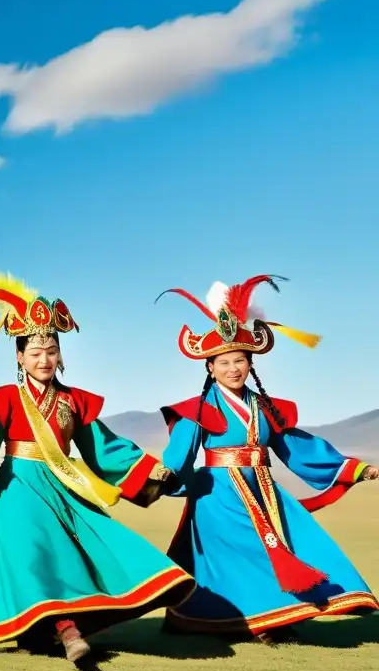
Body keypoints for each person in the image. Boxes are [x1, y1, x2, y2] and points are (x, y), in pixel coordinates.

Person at [0, 272, 195, 664]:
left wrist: (147, 468)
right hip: (16, 487)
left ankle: (53, 629)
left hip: (64, 486)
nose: (44, 359)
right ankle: (67, 632)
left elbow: (103, 447)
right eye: (35, 352)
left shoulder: (75, 402)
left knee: (86, 551)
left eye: (51, 351)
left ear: (61, 354)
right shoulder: (4, 399)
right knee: (31, 556)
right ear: (19, 356)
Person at [155, 274, 378, 642]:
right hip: (219, 495)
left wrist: (354, 468)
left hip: (264, 490)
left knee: (301, 542)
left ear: (250, 362)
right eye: (224, 362)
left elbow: (295, 447)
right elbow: (179, 455)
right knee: (247, 554)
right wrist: (162, 476)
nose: (233, 369)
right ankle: (264, 621)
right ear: (209, 366)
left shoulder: (263, 408)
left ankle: (275, 617)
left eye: (240, 360)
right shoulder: (198, 410)